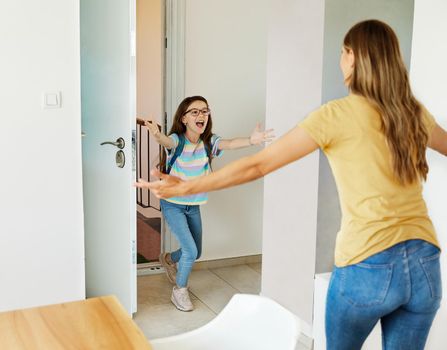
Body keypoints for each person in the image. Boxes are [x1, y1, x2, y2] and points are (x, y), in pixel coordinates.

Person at [135, 20, 446, 349]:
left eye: (342, 52)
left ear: (353, 57)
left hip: (368, 262)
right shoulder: (412, 112)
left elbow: (259, 164)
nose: (341, 60)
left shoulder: (336, 115)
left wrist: (184, 186)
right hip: (425, 261)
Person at [138, 95, 274, 312]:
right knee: (190, 251)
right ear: (184, 119)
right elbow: (167, 142)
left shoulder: (209, 141)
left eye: (205, 111)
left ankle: (168, 259)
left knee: (196, 251)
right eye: (195, 112)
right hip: (172, 203)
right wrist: (157, 135)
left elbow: (229, 143)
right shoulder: (178, 140)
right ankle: (179, 291)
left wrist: (251, 140)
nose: (201, 115)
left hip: (193, 204)